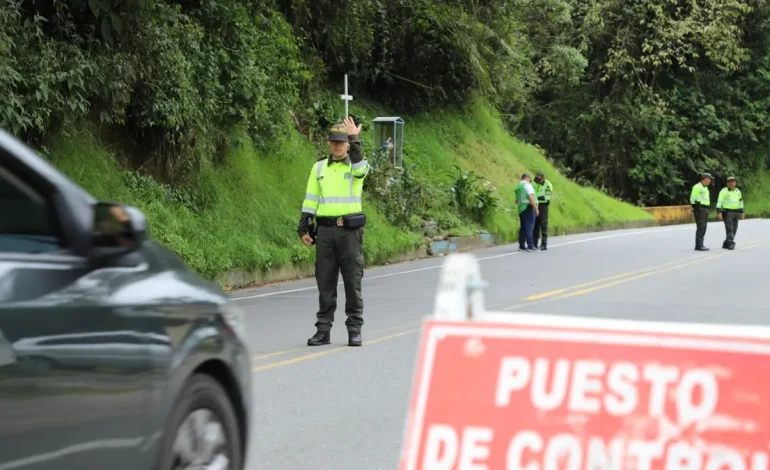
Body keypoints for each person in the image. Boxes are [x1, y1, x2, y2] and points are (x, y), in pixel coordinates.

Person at [297, 117, 370, 347]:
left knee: (352, 280)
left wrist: (355, 138)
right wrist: (304, 225)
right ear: (329, 143)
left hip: (349, 232)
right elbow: (311, 198)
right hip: (326, 232)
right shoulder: (319, 168)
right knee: (325, 282)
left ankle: (354, 328)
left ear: (348, 144)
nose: (338, 145)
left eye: (342, 141)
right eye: (334, 142)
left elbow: (360, 170)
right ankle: (323, 330)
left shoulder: (357, 165)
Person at [716, 176, 745, 250]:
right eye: (730, 182)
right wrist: (719, 212)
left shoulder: (738, 191)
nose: (731, 183)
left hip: (736, 212)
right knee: (729, 229)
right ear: (727, 183)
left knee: (734, 229)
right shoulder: (724, 191)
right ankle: (731, 243)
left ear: (735, 183)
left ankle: (726, 243)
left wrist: (742, 212)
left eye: (733, 182)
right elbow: (719, 202)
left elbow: (741, 202)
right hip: (727, 212)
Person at [515, 173, 539, 252]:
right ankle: (530, 246)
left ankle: (522, 246)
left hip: (521, 209)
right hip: (528, 208)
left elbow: (516, 201)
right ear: (528, 178)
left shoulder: (518, 187)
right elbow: (531, 198)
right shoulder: (527, 185)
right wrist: (536, 208)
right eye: (530, 180)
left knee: (523, 227)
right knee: (529, 228)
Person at [690, 172, 713, 251]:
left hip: (705, 209)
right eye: (709, 179)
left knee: (704, 227)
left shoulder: (705, 188)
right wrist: (695, 207)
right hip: (700, 209)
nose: (710, 180)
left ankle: (700, 244)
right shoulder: (697, 187)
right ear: (705, 178)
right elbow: (693, 198)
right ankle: (699, 245)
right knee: (701, 227)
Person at [532, 170, 553, 251]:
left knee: (543, 224)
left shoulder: (548, 185)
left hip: (543, 206)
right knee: (535, 225)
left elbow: (547, 197)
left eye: (539, 179)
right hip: (536, 205)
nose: (538, 180)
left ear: (543, 178)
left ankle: (544, 244)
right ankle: (534, 243)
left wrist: (536, 198)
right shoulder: (536, 183)